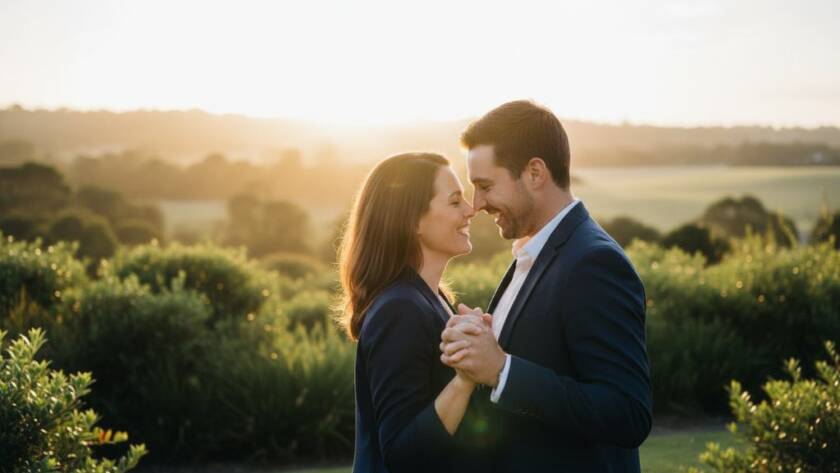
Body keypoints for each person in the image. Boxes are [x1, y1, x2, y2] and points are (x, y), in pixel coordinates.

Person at [440, 100, 653, 472]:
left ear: (535, 173)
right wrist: (482, 342)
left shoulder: (593, 264)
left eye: (486, 186)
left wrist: (502, 370)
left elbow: (627, 413)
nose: (477, 204)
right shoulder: (533, 252)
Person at [341, 152, 479, 473]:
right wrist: (465, 379)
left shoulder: (432, 298)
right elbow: (403, 454)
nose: (471, 210)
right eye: (455, 201)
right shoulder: (400, 310)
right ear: (413, 220)